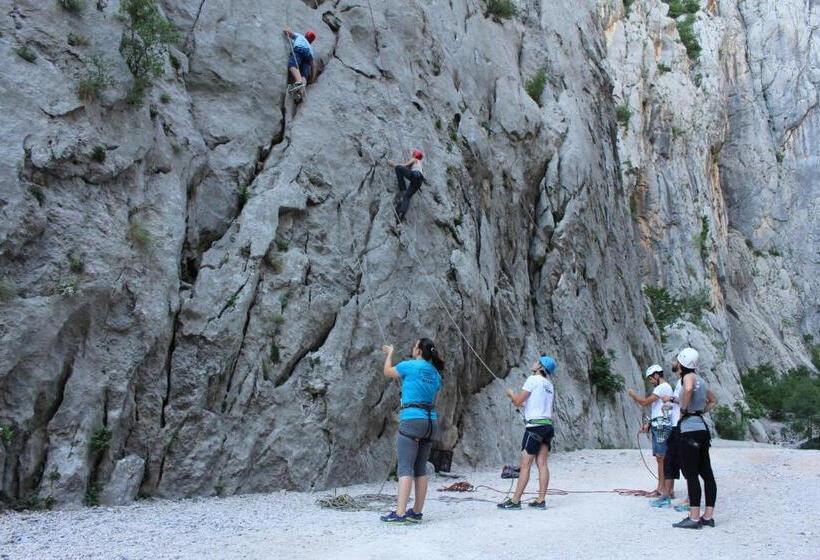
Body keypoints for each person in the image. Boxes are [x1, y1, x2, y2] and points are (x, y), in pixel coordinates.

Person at [379, 338, 443, 524]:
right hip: (430, 422)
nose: (413, 348)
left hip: (412, 419)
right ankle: (416, 512)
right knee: (420, 468)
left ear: (419, 351)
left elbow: (387, 371)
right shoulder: (435, 373)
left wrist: (390, 353)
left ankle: (400, 513)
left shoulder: (410, 366)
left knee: (405, 467)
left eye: (415, 346)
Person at [663, 347, 718, 529]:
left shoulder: (688, 377)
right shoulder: (701, 380)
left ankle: (694, 518)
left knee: (691, 474)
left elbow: (687, 388)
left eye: (677, 361)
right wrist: (698, 411)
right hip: (701, 428)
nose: (675, 363)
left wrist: (685, 410)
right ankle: (708, 516)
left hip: (688, 431)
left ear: (682, 363)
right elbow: (713, 400)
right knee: (707, 473)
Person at [497, 355, 557, 510]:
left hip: (534, 427)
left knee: (525, 465)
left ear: (541, 367)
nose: (534, 362)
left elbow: (518, 401)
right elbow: (531, 404)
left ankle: (515, 501)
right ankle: (541, 500)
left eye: (537, 362)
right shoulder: (549, 385)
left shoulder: (532, 379)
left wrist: (511, 394)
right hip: (547, 426)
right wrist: (516, 400)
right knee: (542, 464)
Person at [627, 364, 675, 501]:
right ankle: (664, 488)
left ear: (656, 375)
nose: (651, 381)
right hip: (659, 424)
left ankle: (662, 489)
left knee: (661, 458)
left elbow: (644, 402)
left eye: (651, 378)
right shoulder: (664, 388)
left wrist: (633, 395)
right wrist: (649, 424)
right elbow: (660, 410)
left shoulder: (662, 387)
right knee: (661, 458)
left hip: (661, 426)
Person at [387, 150, 425, 221]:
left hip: (415, 175)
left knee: (398, 168)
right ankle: (401, 213)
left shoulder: (415, 159)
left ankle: (402, 188)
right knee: (407, 197)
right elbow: (409, 169)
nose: (412, 155)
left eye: (413, 154)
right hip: (419, 181)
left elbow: (405, 165)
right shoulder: (419, 164)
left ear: (415, 155)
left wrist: (393, 164)